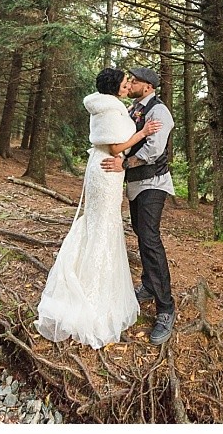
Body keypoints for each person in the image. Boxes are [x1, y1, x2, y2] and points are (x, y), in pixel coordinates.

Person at [34, 68, 161, 348]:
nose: (129, 85)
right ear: (116, 87)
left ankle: (90, 279)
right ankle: (94, 294)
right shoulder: (111, 109)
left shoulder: (109, 106)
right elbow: (116, 148)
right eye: (125, 82)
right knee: (102, 225)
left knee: (99, 223)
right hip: (107, 170)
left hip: (103, 171)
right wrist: (142, 133)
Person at [101, 66, 177, 345]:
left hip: (153, 183)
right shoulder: (133, 108)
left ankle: (166, 308)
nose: (130, 83)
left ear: (147, 86)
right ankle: (147, 284)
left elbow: (153, 150)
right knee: (141, 235)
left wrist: (124, 162)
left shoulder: (159, 112)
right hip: (134, 185)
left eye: (134, 81)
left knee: (150, 238)